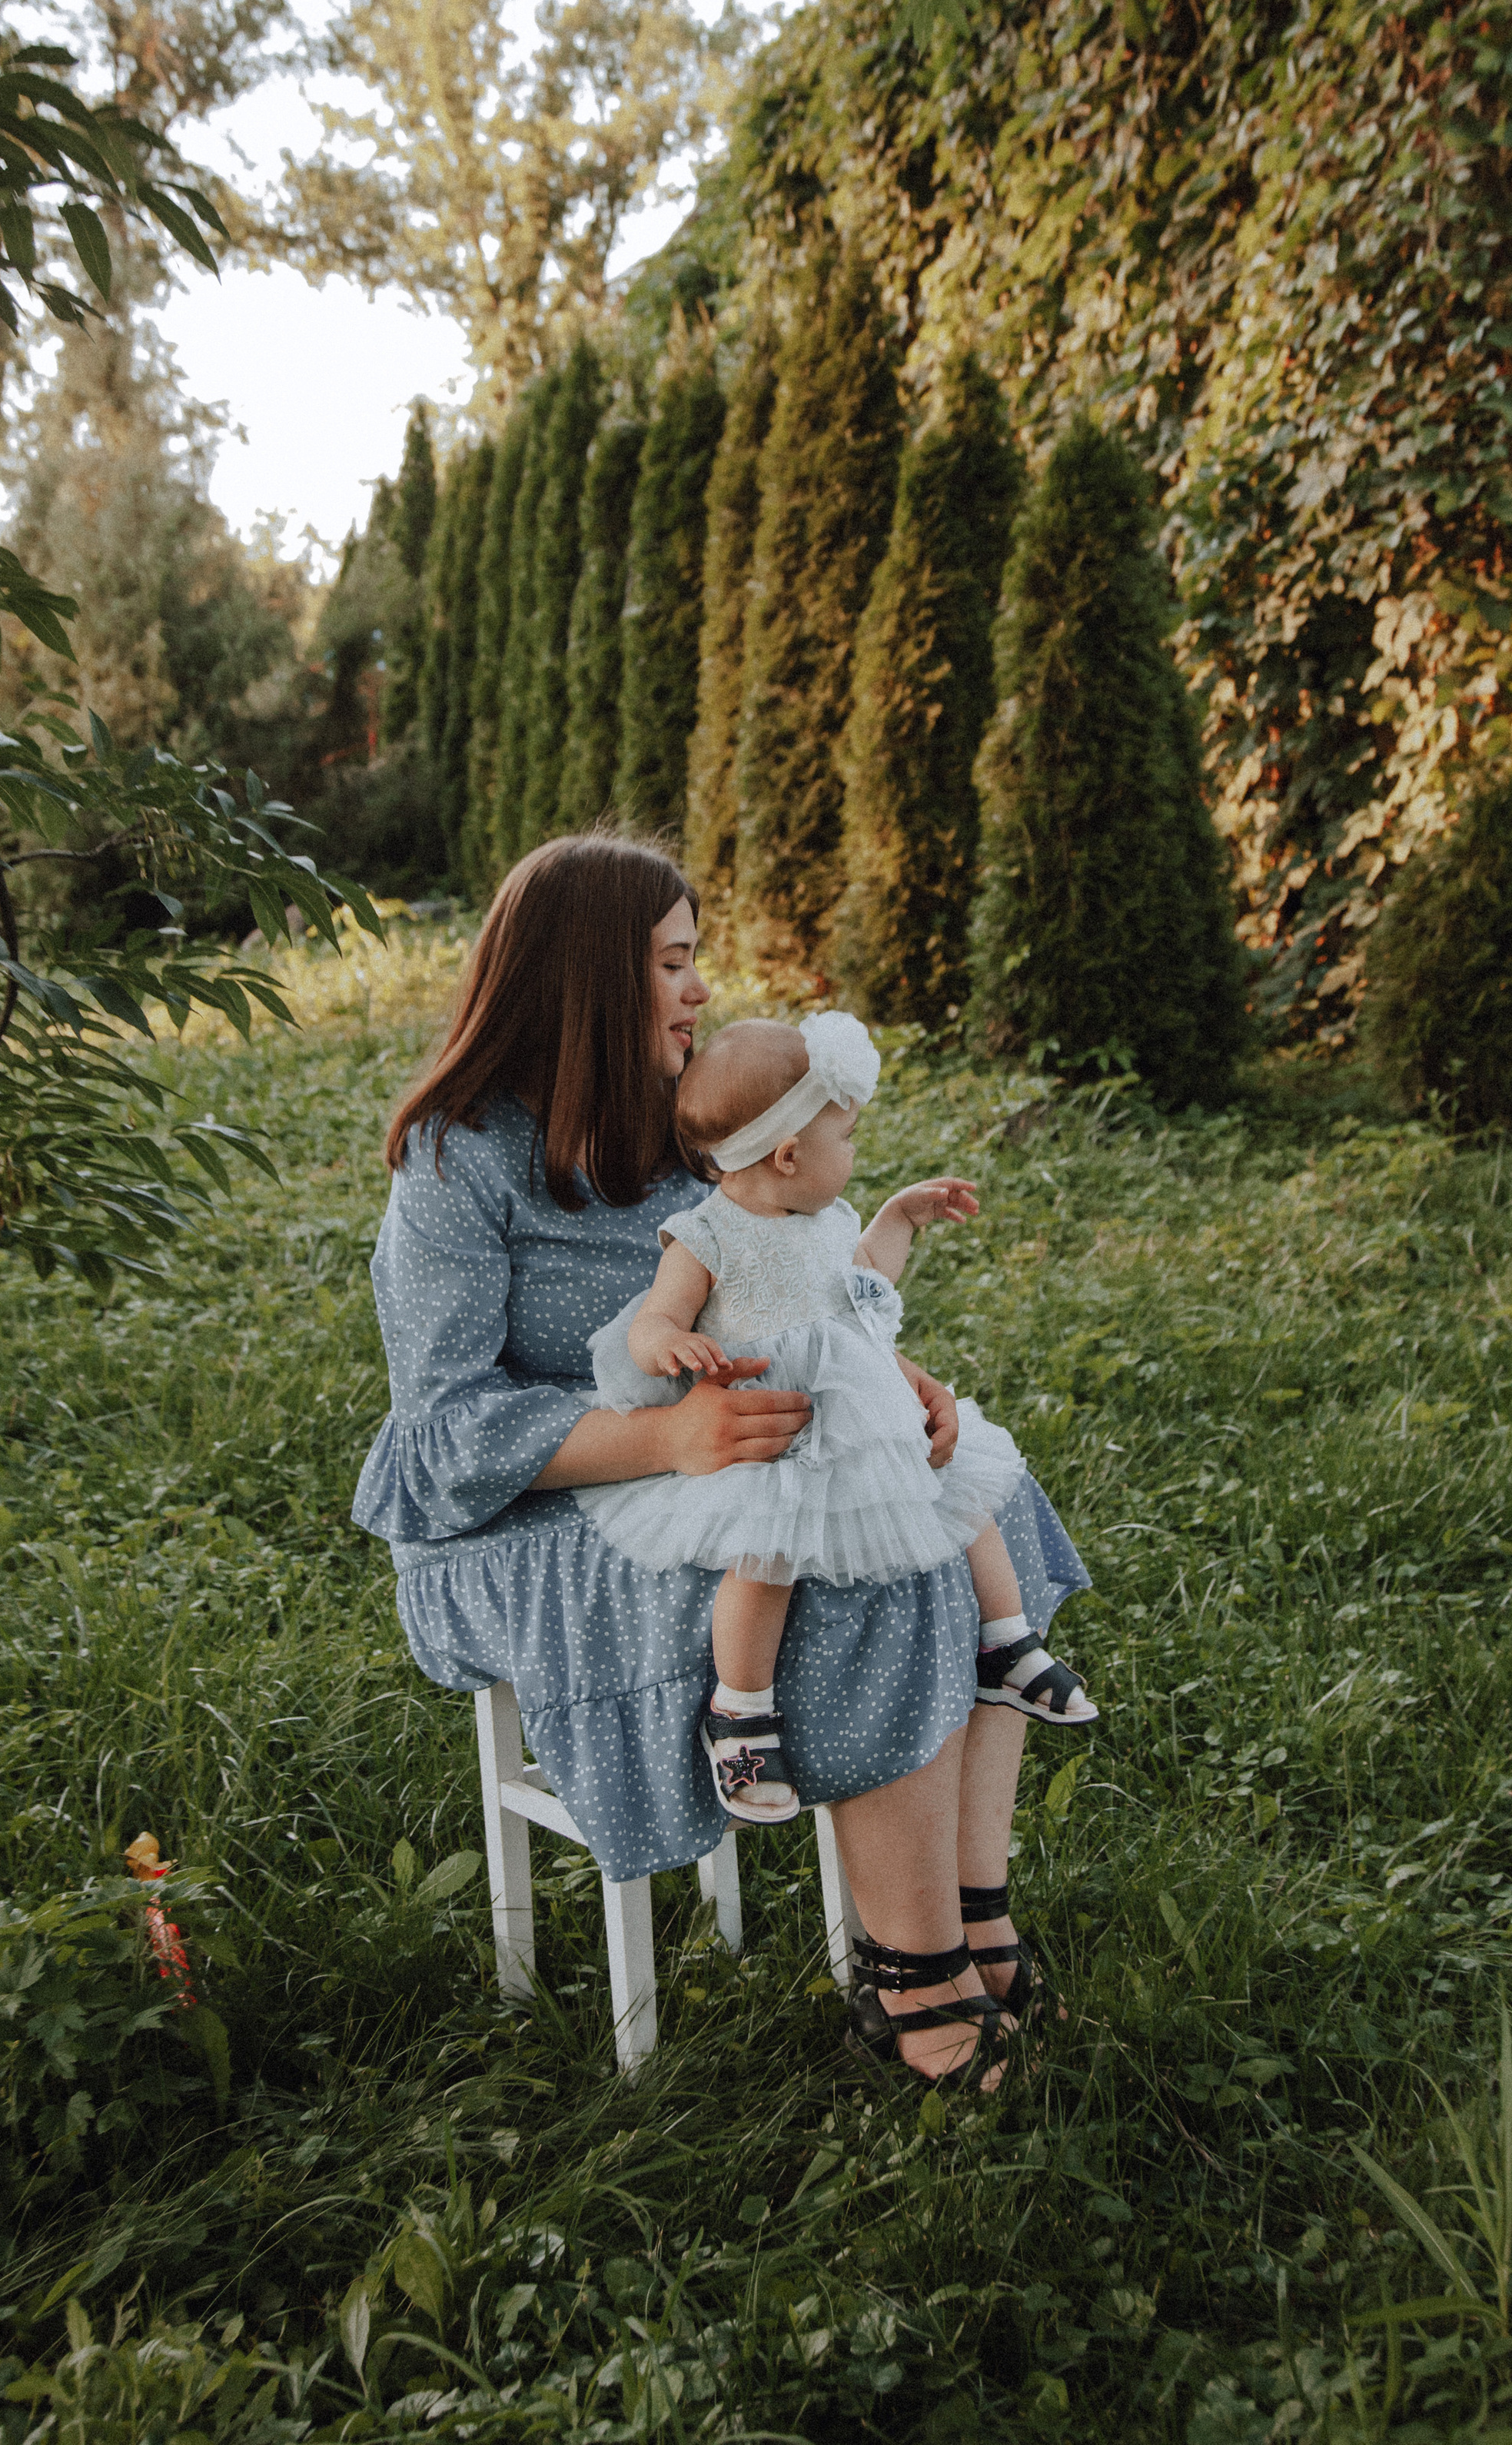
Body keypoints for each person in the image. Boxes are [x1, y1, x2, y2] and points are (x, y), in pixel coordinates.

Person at [352, 834, 1091, 2089]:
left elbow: (785, 1287)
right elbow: (440, 1434)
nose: (699, 988)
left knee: (982, 1502)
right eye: (671, 963)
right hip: (532, 1514)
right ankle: (910, 1976)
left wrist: (886, 1383)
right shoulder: (457, 1158)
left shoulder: (690, 1124)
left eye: (694, 959)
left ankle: (977, 1919)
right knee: (878, 1568)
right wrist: (664, 1437)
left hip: (733, 1463)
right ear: (587, 979)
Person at [576, 1009, 1097, 1829]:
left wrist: (899, 1219)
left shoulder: (828, 1221)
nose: (854, 1153)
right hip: (776, 1441)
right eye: (846, 1138)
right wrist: (670, 1343)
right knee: (766, 1560)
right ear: (787, 1156)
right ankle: (740, 1713)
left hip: (860, 1424)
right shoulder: (707, 1237)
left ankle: (1006, 1643)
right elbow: (653, 1321)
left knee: (963, 1491)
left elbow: (863, 1285)